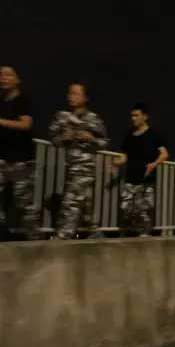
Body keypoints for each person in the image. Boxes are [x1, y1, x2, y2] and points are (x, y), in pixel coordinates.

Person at [0, 66, 39, 240]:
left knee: (23, 203)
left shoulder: (23, 100)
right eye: (1, 75)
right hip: (2, 158)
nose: (4, 78)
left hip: (22, 159)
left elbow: (25, 124)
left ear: (18, 80)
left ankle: (35, 238)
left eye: (9, 75)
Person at [49, 82, 108, 239]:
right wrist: (63, 138)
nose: (71, 96)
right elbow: (53, 139)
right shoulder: (62, 117)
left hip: (86, 167)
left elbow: (104, 142)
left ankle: (63, 236)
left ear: (85, 97)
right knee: (86, 203)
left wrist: (91, 139)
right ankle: (94, 231)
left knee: (71, 201)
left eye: (75, 93)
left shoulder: (93, 119)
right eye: (70, 93)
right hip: (70, 165)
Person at [112, 103, 168, 236]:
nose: (133, 118)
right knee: (125, 209)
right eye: (132, 116)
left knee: (144, 213)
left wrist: (154, 164)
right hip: (130, 180)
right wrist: (117, 163)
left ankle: (143, 237)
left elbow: (164, 154)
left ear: (145, 116)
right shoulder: (129, 135)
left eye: (136, 115)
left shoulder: (153, 134)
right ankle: (130, 235)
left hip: (146, 181)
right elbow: (124, 155)